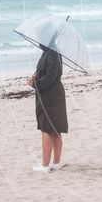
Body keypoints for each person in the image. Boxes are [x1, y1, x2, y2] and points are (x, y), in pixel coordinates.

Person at [26, 44, 68, 172]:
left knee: (47, 128)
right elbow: (46, 73)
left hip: (51, 96)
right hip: (51, 94)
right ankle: (55, 163)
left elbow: (50, 77)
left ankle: (45, 165)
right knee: (54, 128)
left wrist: (34, 84)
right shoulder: (49, 51)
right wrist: (35, 77)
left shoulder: (52, 53)